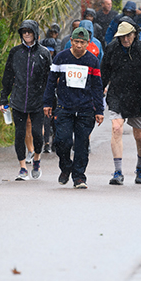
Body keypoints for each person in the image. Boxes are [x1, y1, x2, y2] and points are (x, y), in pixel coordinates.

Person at [43, 27, 105, 189]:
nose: (79, 45)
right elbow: (51, 82)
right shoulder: (61, 58)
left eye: (82, 43)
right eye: (76, 42)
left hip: (86, 108)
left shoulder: (92, 61)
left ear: (88, 43)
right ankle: (66, 167)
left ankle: (79, 177)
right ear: (71, 41)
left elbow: (97, 87)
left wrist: (99, 110)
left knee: (81, 144)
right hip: (65, 107)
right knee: (62, 141)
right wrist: (47, 103)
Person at [101, 19, 141, 186]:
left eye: (128, 36)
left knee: (139, 135)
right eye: (122, 36)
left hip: (138, 96)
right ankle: (118, 171)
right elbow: (104, 73)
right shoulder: (112, 49)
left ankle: (140, 166)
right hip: (117, 94)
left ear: (135, 34)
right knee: (116, 128)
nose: (125, 39)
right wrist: (98, 94)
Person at [0, 20, 53, 181]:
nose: (27, 34)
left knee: (37, 133)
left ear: (35, 33)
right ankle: (22, 167)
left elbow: (49, 79)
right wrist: (4, 98)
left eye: (29, 31)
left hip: (38, 100)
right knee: (19, 134)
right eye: (24, 31)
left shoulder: (44, 53)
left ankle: (36, 158)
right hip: (18, 99)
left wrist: (50, 101)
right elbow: (8, 76)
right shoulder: (15, 52)